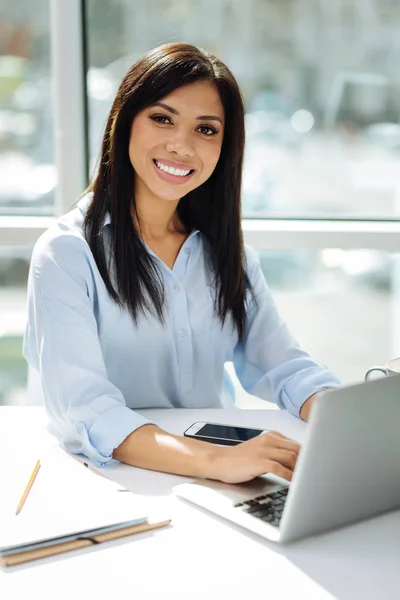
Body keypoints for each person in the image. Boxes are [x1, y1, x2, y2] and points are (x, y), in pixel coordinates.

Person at [23, 42, 341, 484]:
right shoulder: (67, 252)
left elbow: (284, 366)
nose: (181, 145)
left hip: (219, 468)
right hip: (117, 477)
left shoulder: (227, 254)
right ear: (124, 120)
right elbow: (86, 408)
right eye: (162, 118)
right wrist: (215, 462)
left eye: (206, 130)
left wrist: (346, 420)